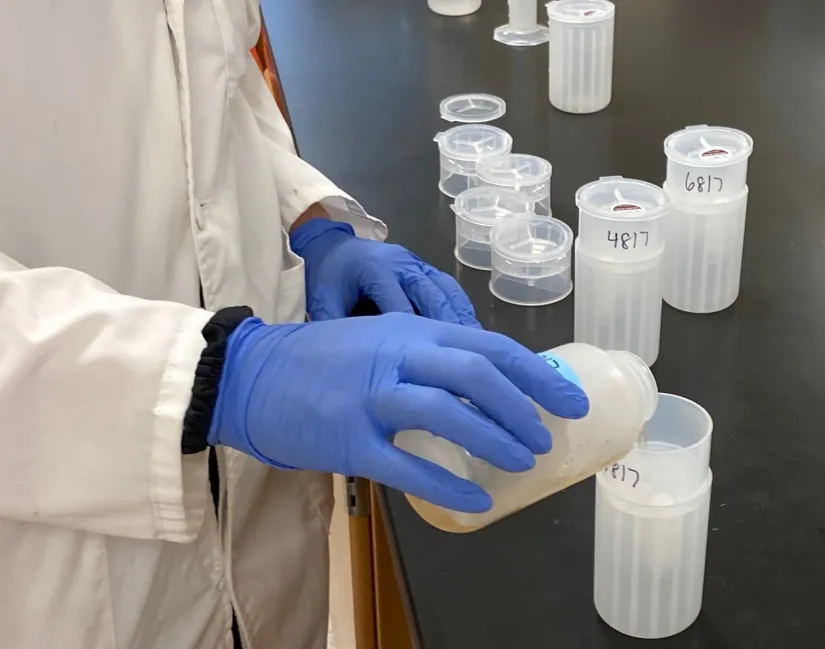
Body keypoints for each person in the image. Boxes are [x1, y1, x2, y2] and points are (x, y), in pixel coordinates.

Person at [0, 4, 588, 648]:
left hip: (266, 516)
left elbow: (217, 85)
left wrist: (308, 222)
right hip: (62, 545)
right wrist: (225, 379)